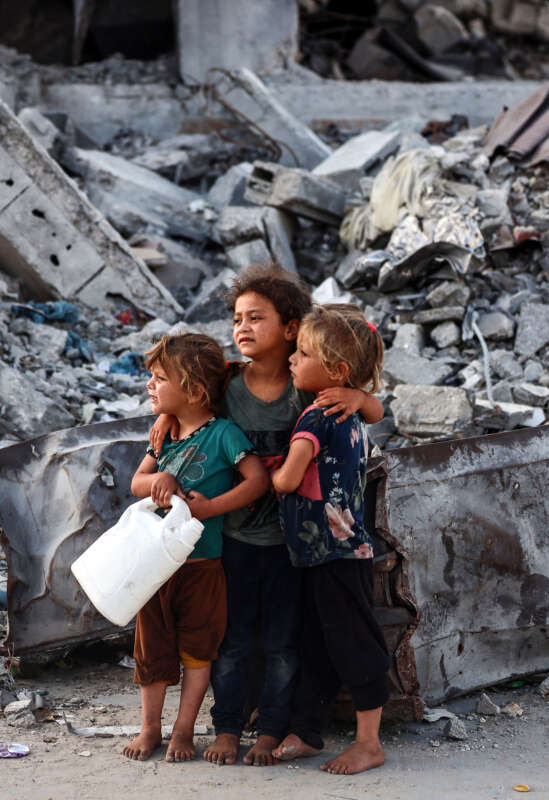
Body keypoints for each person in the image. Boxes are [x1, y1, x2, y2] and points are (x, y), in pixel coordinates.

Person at [149, 265, 384, 767]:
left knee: (285, 640)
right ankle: (231, 724)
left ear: (292, 328)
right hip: (233, 537)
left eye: (257, 317)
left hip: (291, 545)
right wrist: (168, 416)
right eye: (237, 318)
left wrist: (361, 397)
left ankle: (276, 726)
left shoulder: (311, 386)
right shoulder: (227, 383)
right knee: (232, 639)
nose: (242, 327)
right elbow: (188, 403)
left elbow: (371, 411)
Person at [125, 333, 270, 763]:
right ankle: (150, 727)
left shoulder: (223, 434)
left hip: (203, 565)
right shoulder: (163, 435)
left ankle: (183, 730)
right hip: (155, 566)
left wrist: (210, 510)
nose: (150, 385)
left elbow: (258, 480)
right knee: (151, 650)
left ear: (194, 390)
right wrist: (159, 482)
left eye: (159, 378)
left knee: (197, 651)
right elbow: (137, 484)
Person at [269, 303, 391, 776]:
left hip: (332, 552)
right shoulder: (350, 412)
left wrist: (270, 470)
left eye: (301, 353)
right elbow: (375, 407)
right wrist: (359, 396)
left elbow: (288, 481)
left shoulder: (316, 420)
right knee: (320, 642)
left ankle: (369, 743)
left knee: (353, 644)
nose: (292, 360)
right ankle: (308, 730)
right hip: (329, 552)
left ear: (336, 372)